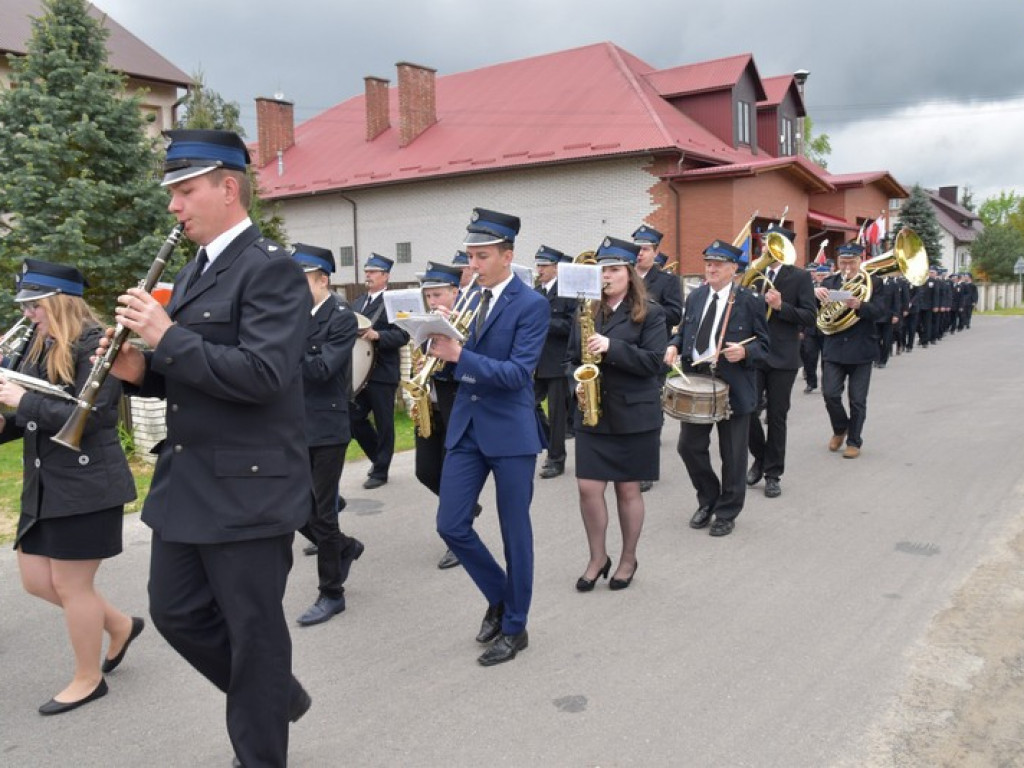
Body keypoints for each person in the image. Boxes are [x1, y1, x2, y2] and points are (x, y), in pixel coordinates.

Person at [104, 129, 313, 767]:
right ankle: (274, 695)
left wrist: (165, 337)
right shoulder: (198, 266)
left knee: (254, 637)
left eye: (185, 191)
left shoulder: (270, 267)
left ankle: (259, 751)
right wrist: (142, 369)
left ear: (228, 188)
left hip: (250, 487)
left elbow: (263, 375)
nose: (174, 207)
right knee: (174, 613)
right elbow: (198, 369)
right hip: (190, 482)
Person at [0, 259, 140, 715]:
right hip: (47, 480)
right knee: (36, 580)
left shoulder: (95, 344)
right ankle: (118, 625)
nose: (27, 314)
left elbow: (95, 417)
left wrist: (23, 400)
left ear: (58, 301)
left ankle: (88, 678)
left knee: (72, 585)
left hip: (87, 482)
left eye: (34, 305)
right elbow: (26, 417)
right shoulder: (39, 344)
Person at [430, 207, 548, 666]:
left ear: (506, 255)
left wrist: (460, 355)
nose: (472, 265)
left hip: (511, 432)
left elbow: (519, 373)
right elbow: (460, 359)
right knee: (450, 524)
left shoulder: (531, 304)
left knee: (514, 533)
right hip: (467, 427)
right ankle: (501, 596)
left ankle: (515, 628)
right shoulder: (467, 299)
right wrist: (436, 339)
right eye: (470, 256)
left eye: (481, 256)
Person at [568, 237, 666, 590]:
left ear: (628, 273)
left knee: (627, 490)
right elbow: (570, 359)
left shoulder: (652, 313)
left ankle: (627, 558)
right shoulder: (585, 311)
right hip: (593, 411)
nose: (605, 276)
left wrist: (613, 347)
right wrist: (574, 383)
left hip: (634, 414)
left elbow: (655, 364)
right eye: (601, 270)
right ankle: (598, 557)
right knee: (588, 487)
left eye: (612, 270)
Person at [664, 240, 769, 537]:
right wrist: (673, 346)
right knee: (688, 447)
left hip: (733, 386)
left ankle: (727, 511)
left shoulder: (749, 300)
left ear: (733, 269)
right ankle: (708, 499)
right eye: (708, 263)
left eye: (718, 264)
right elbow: (683, 331)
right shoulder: (696, 296)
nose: (711, 268)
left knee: (733, 455)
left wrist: (746, 353)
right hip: (697, 383)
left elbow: (765, 345)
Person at [290, 244, 364, 627]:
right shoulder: (293, 314)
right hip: (293, 426)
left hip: (326, 427)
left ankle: (332, 593)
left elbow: (321, 370)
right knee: (293, 507)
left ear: (322, 279)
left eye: (300, 280)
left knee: (323, 511)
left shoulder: (341, 317)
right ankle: (345, 548)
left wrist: (284, 347)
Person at [409, 261, 482, 570]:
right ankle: (466, 508)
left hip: (456, 405)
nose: (433, 301)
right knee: (425, 471)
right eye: (428, 296)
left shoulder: (470, 321)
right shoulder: (427, 321)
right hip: (430, 404)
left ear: (455, 292)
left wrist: (452, 340)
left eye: (438, 294)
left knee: (452, 477)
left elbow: (473, 363)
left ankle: (458, 536)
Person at [743, 224, 817, 499]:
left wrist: (780, 307)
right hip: (754, 353)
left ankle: (773, 473)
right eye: (765, 242)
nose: (767, 248)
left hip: (783, 356)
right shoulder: (754, 273)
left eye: (773, 243)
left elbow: (810, 316)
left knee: (776, 416)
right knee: (748, 410)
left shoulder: (799, 277)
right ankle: (760, 458)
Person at [814, 241, 886, 459]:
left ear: (860, 261)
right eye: (843, 262)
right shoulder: (828, 282)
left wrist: (861, 306)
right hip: (834, 348)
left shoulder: (874, 283)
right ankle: (840, 428)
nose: (847, 267)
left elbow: (882, 312)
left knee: (857, 400)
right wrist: (816, 296)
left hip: (861, 349)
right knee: (830, 394)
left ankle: (854, 440)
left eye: (851, 262)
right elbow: (817, 314)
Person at [349, 254, 410, 489]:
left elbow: (403, 335)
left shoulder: (394, 302)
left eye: (373, 271)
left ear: (385, 276)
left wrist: (379, 335)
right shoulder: (358, 302)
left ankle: (381, 471)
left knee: (385, 422)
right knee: (353, 418)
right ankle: (378, 458)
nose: (368, 275)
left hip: (383, 372)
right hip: (360, 372)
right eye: (367, 271)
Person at [533, 245, 576, 480]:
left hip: (558, 361)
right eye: (538, 265)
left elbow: (572, 326)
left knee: (558, 412)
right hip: (536, 362)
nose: (539, 269)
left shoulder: (568, 292)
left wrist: (543, 322)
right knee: (527, 404)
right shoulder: (536, 292)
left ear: (556, 268)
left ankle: (556, 459)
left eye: (543, 265)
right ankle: (551, 440)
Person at [800, 264, 830, 393]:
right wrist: (800, 329)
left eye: (824, 275)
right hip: (811, 328)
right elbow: (802, 308)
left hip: (827, 329)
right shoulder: (808, 288)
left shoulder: (833, 288)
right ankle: (811, 383)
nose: (821, 277)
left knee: (826, 358)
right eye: (819, 275)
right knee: (809, 357)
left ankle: (826, 383)